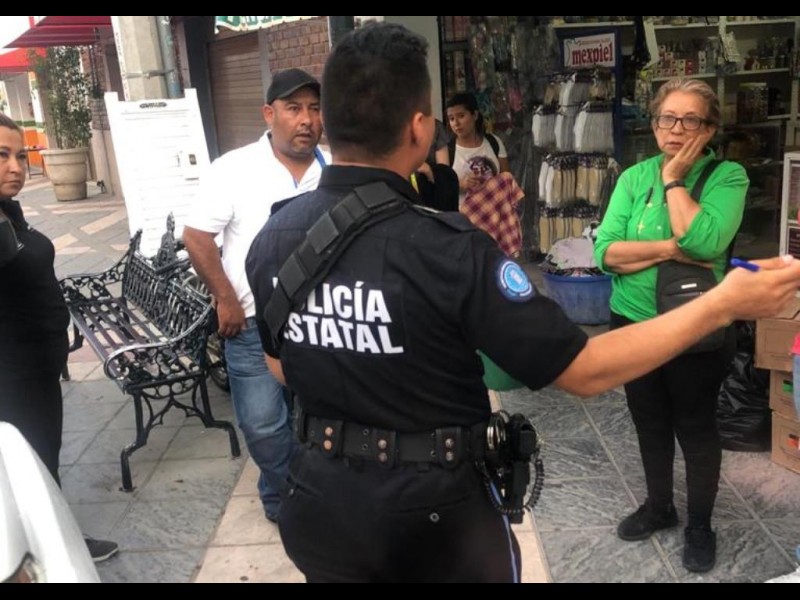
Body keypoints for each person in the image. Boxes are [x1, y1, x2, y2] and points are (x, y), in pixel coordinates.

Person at [244, 23, 800, 583]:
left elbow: (280, 364)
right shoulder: (449, 250)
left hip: (320, 509)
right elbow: (583, 370)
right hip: (435, 525)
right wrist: (722, 303)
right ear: (419, 128)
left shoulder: (275, 238)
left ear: (327, 122)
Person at [593, 77, 748, 574]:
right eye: (667, 118)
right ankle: (659, 506)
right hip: (632, 323)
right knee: (649, 420)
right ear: (654, 122)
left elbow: (704, 242)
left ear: (710, 128)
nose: (676, 129)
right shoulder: (633, 177)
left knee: (696, 427)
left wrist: (676, 180)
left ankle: (700, 524)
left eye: (690, 120)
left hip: (694, 326)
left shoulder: (728, 177)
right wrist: (668, 249)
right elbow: (605, 253)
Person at [182, 68, 329, 523]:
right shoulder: (234, 169)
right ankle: (293, 497)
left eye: (315, 108)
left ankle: (288, 496)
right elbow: (197, 237)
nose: (306, 119)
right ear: (269, 113)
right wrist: (225, 298)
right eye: (293, 108)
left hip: (323, 324)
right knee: (263, 423)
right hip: (252, 325)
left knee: (317, 420)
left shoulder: (336, 169)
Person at [0, 113, 118, 563]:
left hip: (39, 366)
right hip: (12, 375)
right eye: (2, 156)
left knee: (41, 460)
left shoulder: (8, 210)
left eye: (21, 155)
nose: (16, 167)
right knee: (31, 465)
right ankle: (53, 550)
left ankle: (47, 543)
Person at [445, 92, 509, 203]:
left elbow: (507, 182)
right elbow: (442, 190)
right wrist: (460, 185)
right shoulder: (447, 150)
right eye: (451, 118)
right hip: (461, 213)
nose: (456, 123)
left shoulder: (494, 142)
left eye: (461, 116)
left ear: (475, 115)